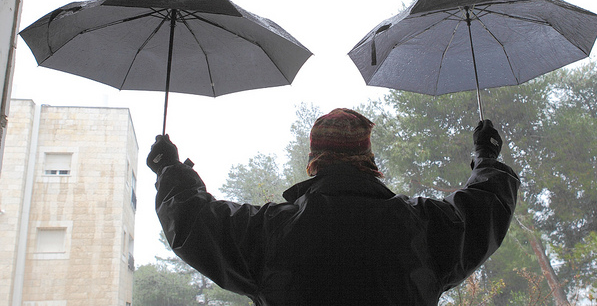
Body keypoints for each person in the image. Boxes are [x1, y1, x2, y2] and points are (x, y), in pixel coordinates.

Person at [147, 108, 520, 306]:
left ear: (314, 162)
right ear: (369, 160)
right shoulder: (421, 226)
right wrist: (486, 157)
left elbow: (193, 221)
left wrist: (169, 168)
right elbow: (483, 208)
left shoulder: (270, 231)